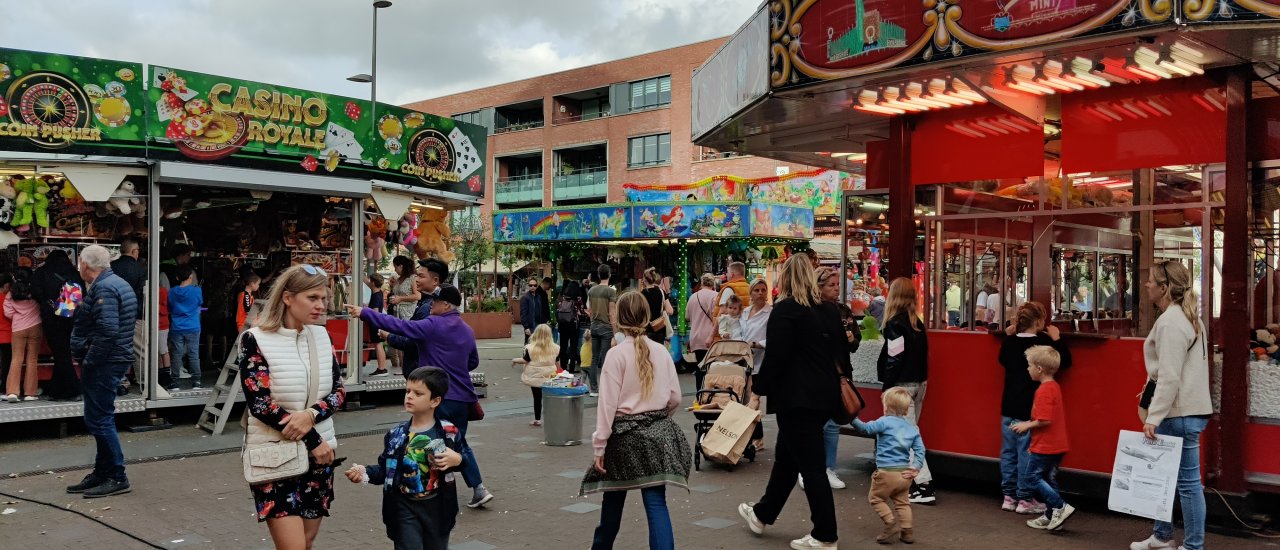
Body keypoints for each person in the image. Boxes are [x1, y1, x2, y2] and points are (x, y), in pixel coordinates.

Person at [349, 285, 494, 509]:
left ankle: (438, 490)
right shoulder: (466, 329)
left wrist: (366, 313)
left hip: (441, 397)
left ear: (446, 305)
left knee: (434, 445)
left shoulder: (433, 324)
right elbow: (472, 362)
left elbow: (401, 326)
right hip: (464, 398)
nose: (430, 306)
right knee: (457, 443)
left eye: (434, 302)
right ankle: (478, 488)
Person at [738, 254, 847, 550]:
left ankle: (825, 535)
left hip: (795, 399)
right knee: (787, 458)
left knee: (811, 467)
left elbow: (776, 358)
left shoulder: (786, 311)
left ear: (785, 278)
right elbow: (842, 353)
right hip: (823, 396)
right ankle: (762, 514)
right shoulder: (827, 310)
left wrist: (759, 390)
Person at [237, 264, 346, 548]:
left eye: (324, 298)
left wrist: (311, 415)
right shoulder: (255, 339)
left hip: (321, 457)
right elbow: (259, 403)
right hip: (277, 457)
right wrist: (312, 437)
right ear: (287, 297)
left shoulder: (321, 336)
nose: (321, 305)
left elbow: (338, 390)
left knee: (306, 542)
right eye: (312, 298)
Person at [581, 291, 688, 550]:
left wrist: (600, 446)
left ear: (619, 317)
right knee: (656, 504)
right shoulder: (661, 353)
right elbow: (676, 398)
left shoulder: (616, 356)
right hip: (657, 436)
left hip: (623, 438)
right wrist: (658, 418)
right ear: (647, 316)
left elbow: (607, 406)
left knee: (613, 502)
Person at [1131, 260, 1212, 550]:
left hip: (1178, 413)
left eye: (1152, 280)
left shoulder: (1170, 322)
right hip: (1190, 410)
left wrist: (1153, 417)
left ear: (1164, 288)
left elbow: (1168, 376)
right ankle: (1162, 536)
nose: (1147, 284)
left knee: (1188, 485)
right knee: (1166, 479)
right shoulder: (1189, 318)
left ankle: (1192, 546)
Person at [345, 367, 464, 550]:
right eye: (407, 391)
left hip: (437, 508)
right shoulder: (396, 435)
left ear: (435, 401)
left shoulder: (448, 432)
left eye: (418, 393)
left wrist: (459, 460)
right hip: (402, 507)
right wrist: (366, 473)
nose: (409, 396)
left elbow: (465, 462)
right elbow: (386, 470)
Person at [66, 245, 137, 498]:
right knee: (99, 417)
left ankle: (117, 476)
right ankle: (103, 471)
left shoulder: (105, 288)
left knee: (99, 419)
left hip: (105, 362)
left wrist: (90, 360)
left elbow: (107, 330)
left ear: (86, 265)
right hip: (111, 359)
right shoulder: (115, 283)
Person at [998, 302, 1072, 514]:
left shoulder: (1009, 343)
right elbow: (1064, 361)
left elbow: (1002, 358)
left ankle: (1008, 496)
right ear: (1039, 322)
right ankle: (1025, 498)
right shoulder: (1043, 343)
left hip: (1009, 405)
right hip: (1029, 411)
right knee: (1026, 454)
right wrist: (1057, 337)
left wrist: (1007, 334)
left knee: (1008, 453)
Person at [878, 277, 935, 504]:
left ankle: (923, 484)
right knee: (911, 434)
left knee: (907, 438)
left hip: (901, 385)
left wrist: (887, 387)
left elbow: (895, 357)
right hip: (919, 384)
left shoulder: (895, 324)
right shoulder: (917, 323)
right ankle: (912, 484)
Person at [850, 387, 927, 544]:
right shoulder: (912, 429)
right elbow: (920, 449)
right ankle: (907, 532)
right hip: (905, 475)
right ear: (906, 411)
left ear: (886, 407)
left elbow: (865, 429)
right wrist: (916, 467)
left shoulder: (884, 422)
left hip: (886, 473)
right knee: (902, 503)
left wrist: (852, 418)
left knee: (876, 498)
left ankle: (890, 523)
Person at [1011, 345, 1075, 531]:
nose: (1027, 369)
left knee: (1031, 477)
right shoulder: (1054, 387)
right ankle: (1051, 515)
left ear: (1039, 368)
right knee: (1049, 479)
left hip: (1046, 445)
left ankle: (1060, 507)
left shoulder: (1043, 391)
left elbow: (1044, 420)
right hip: (1057, 444)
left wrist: (1025, 425)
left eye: (1029, 365)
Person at [813, 266, 860, 491]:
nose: (835, 289)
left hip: (841, 373)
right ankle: (813, 468)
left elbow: (854, 343)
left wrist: (851, 339)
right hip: (820, 373)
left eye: (836, 285)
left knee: (833, 423)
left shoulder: (843, 311)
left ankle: (828, 467)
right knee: (818, 423)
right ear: (819, 287)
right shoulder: (812, 310)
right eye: (830, 285)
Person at [34, 250, 82, 401]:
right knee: (64, 353)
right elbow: (82, 292)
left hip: (51, 318)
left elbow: (36, 292)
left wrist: (47, 301)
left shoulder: (42, 272)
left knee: (60, 354)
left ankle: (74, 390)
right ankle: (57, 390)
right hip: (70, 317)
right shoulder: (74, 272)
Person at [387, 259, 447, 379]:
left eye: (421, 276)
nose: (417, 280)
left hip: (422, 375)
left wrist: (388, 336)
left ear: (435, 280)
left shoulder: (429, 307)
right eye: (417, 275)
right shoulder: (426, 302)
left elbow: (413, 340)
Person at [740, 278, 772, 451]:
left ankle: (757, 438)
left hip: (762, 361)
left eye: (763, 290)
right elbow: (741, 333)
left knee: (754, 400)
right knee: (748, 401)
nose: (760, 293)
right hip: (745, 361)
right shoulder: (745, 312)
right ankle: (756, 437)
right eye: (757, 290)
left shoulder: (771, 313)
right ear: (751, 293)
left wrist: (758, 344)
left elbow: (774, 337)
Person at [111, 238, 146, 385]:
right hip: (135, 313)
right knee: (140, 349)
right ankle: (143, 380)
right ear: (134, 251)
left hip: (114, 313)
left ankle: (119, 379)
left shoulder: (111, 267)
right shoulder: (141, 269)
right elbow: (144, 292)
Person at [4, 269, 41, 402]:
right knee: (32, 360)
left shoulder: (11, 293)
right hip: (36, 327)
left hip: (18, 328)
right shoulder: (35, 292)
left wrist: (18, 317)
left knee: (16, 359)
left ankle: (13, 392)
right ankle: (30, 393)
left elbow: (7, 312)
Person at [168, 265, 204, 389]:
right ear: (191, 276)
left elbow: (170, 307)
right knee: (193, 354)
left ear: (177, 277)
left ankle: (175, 383)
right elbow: (199, 303)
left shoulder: (172, 291)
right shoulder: (196, 290)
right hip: (193, 326)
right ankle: (196, 382)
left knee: (176, 354)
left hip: (177, 326)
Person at [586, 264, 618, 397]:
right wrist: (615, 332)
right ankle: (605, 388)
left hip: (594, 325)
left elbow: (589, 310)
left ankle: (593, 388)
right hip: (606, 327)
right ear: (609, 274)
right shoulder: (611, 292)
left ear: (599, 275)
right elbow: (612, 312)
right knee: (606, 358)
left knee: (594, 358)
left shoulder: (592, 290)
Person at [388, 255, 422, 373]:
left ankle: (407, 367)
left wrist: (400, 299)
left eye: (395, 266)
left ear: (401, 266)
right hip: (397, 312)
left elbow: (417, 296)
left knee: (406, 341)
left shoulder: (412, 278)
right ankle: (403, 367)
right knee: (399, 340)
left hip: (408, 313)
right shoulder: (399, 278)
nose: (395, 269)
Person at [522, 324, 559, 426]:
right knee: (549, 397)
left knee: (537, 398)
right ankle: (551, 417)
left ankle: (537, 419)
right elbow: (557, 363)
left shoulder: (529, 348)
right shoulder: (555, 348)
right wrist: (559, 372)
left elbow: (525, 360)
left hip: (535, 377)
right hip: (550, 376)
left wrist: (515, 361)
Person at [686, 273, 719, 368]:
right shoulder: (716, 296)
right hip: (711, 337)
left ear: (701, 283)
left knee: (700, 367)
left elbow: (687, 317)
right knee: (712, 369)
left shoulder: (693, 297)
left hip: (696, 337)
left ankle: (698, 383)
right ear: (713, 284)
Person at [556, 280, 586, 373]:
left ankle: (563, 367)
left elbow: (557, 308)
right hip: (573, 325)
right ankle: (572, 367)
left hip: (562, 324)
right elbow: (581, 312)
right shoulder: (578, 298)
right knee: (573, 346)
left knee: (563, 346)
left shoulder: (562, 297)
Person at [640, 268, 672, 345]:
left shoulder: (642, 294)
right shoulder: (661, 292)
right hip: (660, 328)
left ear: (644, 279)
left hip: (646, 329)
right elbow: (670, 311)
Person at [366, 273, 389, 377]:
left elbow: (375, 312)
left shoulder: (375, 296)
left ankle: (381, 368)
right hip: (378, 323)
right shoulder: (378, 293)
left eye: (370, 281)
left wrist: (365, 310)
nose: (368, 282)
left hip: (375, 324)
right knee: (378, 345)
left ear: (373, 283)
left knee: (378, 345)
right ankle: (382, 368)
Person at [519, 277, 547, 345]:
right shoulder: (525, 297)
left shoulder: (538, 297)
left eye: (534, 285)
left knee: (538, 345)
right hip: (530, 325)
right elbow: (523, 313)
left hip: (538, 325)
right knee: (528, 345)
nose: (533, 287)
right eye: (531, 285)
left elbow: (541, 311)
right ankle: (526, 355)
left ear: (537, 286)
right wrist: (526, 327)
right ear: (528, 286)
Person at [0, 274, 11, 392]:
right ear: (6, 285)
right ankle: (3, 388)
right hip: (7, 336)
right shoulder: (7, 299)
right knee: (6, 364)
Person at [540, 276, 558, 343]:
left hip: (543, 318)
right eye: (550, 285)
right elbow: (542, 307)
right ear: (546, 283)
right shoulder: (540, 293)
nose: (550, 287)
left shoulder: (543, 293)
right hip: (542, 318)